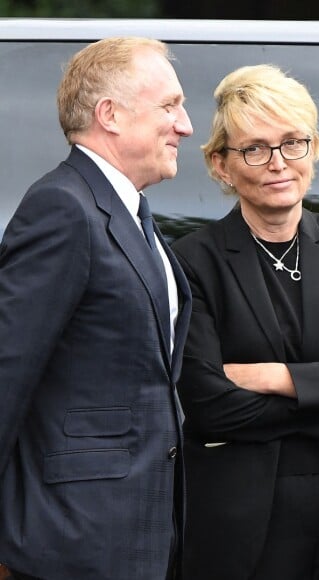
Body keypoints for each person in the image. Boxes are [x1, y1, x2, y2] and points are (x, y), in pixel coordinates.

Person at [171, 64, 319, 580]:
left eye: (293, 143)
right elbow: (211, 407)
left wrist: (276, 378)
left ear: (314, 149)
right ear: (220, 165)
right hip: (246, 528)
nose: (279, 163)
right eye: (255, 149)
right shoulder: (193, 260)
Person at [0, 37, 193, 580]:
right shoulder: (63, 207)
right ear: (109, 114)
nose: (185, 125)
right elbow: (8, 370)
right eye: (169, 106)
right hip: (73, 540)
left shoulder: (128, 212)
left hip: (133, 532)